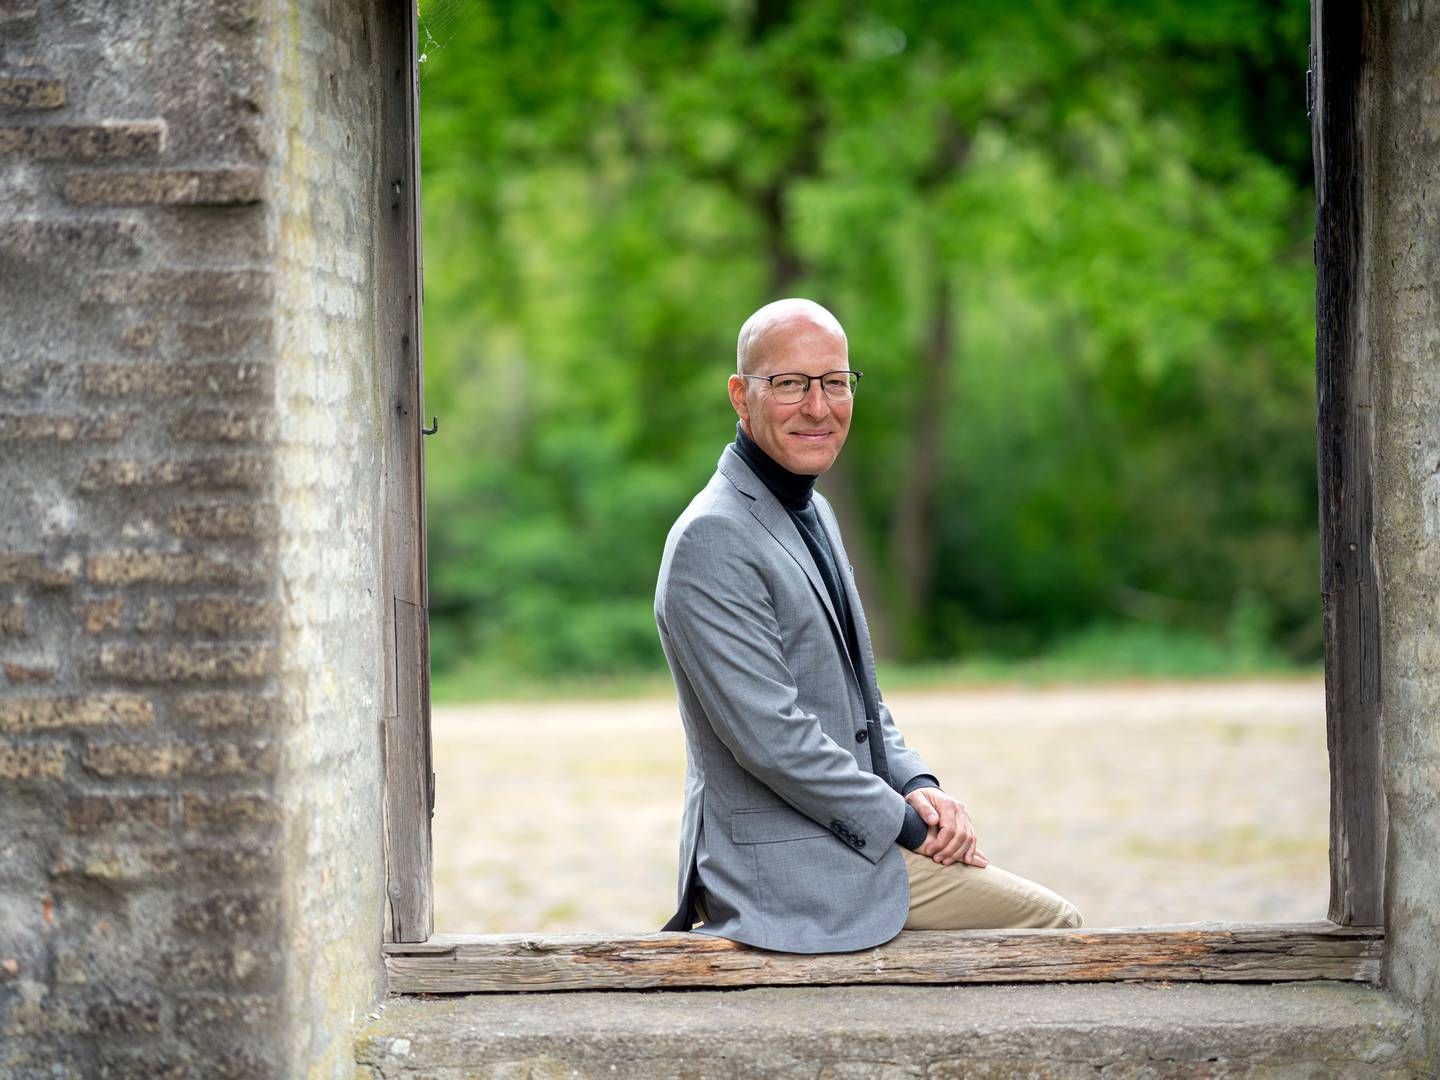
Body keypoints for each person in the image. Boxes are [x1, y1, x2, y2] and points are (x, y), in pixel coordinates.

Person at [655, 298, 1082, 953]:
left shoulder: (813, 512)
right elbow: (773, 739)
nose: (818, 407)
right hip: (784, 864)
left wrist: (920, 787)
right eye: (792, 384)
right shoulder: (714, 537)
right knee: (1054, 925)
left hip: (838, 832)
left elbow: (861, 702)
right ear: (741, 396)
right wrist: (907, 829)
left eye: (834, 382)